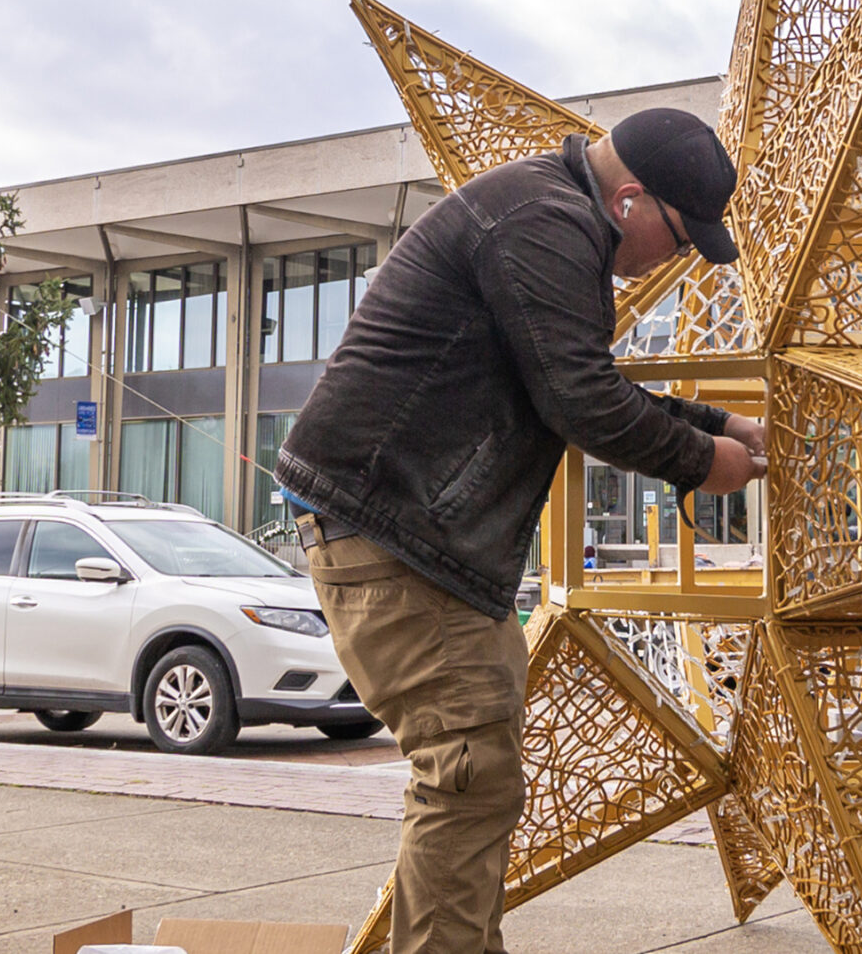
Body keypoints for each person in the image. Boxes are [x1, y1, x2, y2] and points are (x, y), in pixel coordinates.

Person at [275, 109, 766, 954]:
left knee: (479, 776)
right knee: (467, 774)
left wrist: (713, 421)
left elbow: (569, 378)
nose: (675, 259)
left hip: (417, 541)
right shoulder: (545, 221)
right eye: (680, 238)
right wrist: (701, 460)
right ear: (631, 201)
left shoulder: (547, 208)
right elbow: (579, 399)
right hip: (395, 534)